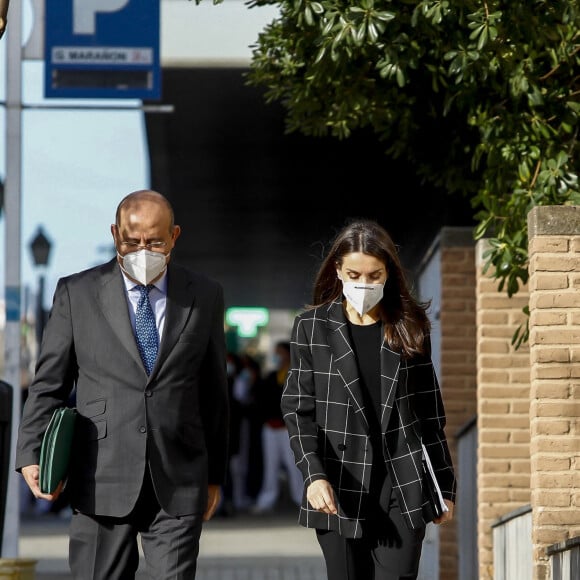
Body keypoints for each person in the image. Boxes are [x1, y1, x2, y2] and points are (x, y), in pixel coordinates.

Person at [16, 190, 229, 579]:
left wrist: (215, 475)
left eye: (155, 242)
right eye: (132, 241)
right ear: (115, 234)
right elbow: (49, 382)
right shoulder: (76, 293)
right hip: (100, 475)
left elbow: (214, 392)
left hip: (179, 476)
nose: (142, 250)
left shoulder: (205, 295)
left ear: (175, 236)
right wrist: (31, 450)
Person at [281, 219, 456, 580]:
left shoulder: (410, 326)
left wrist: (445, 486)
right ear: (338, 270)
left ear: (388, 272)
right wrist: (313, 475)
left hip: (402, 484)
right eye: (354, 274)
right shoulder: (311, 327)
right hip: (339, 484)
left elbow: (429, 413)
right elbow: (299, 410)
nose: (364, 284)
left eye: (374, 275)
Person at [251, 341, 303, 513]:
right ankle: (267, 499)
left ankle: (302, 499)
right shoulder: (272, 375)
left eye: (280, 352)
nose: (277, 356)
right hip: (271, 427)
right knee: (270, 466)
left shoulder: (297, 374)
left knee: (294, 465)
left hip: (289, 428)